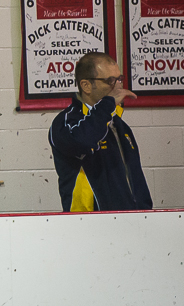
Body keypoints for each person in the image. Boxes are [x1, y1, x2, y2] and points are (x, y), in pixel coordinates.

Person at [48, 52, 152, 212]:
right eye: (110, 81)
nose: (118, 86)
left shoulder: (118, 124)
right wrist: (108, 104)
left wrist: (145, 211)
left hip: (130, 219)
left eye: (119, 79)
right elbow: (83, 141)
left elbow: (135, 178)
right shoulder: (66, 122)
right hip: (87, 220)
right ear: (86, 86)